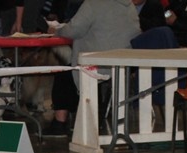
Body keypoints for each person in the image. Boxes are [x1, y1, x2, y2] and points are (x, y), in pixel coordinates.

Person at [42, 0, 141, 137]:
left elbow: (73, 30)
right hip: (122, 62)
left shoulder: (93, 4)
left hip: (98, 62)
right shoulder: (129, 5)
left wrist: (57, 30)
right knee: (86, 76)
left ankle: (60, 122)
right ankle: (93, 118)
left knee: (64, 74)